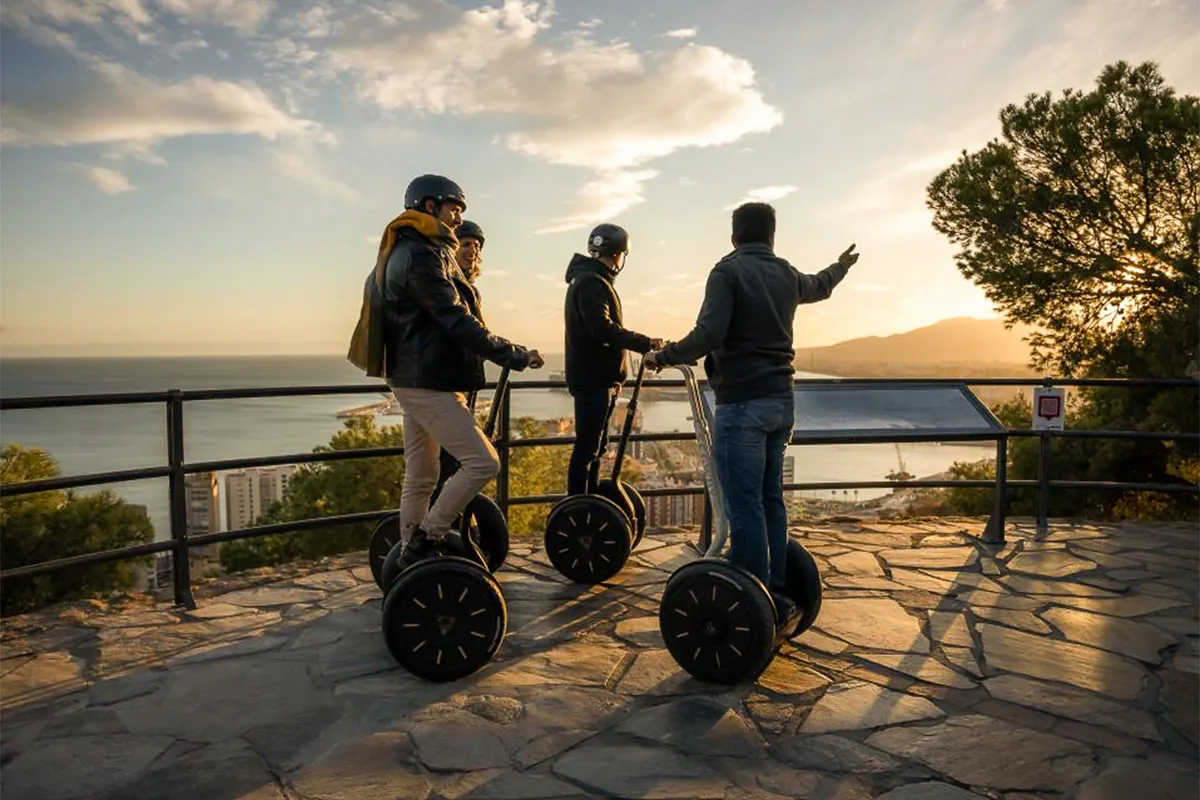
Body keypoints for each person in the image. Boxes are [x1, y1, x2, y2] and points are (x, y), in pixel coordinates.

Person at [644, 202, 859, 618]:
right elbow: (820, 285)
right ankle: (775, 587)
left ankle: (752, 597)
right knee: (770, 499)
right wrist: (841, 265)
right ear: (772, 236)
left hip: (742, 403)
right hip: (782, 400)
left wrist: (662, 357)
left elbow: (708, 333)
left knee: (743, 504)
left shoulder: (726, 272)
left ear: (733, 235)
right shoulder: (785, 273)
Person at [379, 175, 544, 570]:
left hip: (414, 377)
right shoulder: (422, 254)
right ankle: (426, 538)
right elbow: (456, 319)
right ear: (429, 206)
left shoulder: (413, 248)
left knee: (421, 475)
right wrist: (513, 354)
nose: (458, 218)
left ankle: (408, 556)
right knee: (484, 463)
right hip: (429, 381)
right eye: (454, 208)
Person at [563, 223, 663, 496]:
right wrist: (644, 343)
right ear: (619, 255)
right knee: (588, 448)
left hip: (595, 378)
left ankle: (589, 500)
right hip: (593, 379)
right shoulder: (592, 282)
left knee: (595, 446)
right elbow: (601, 328)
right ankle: (578, 506)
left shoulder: (589, 280)